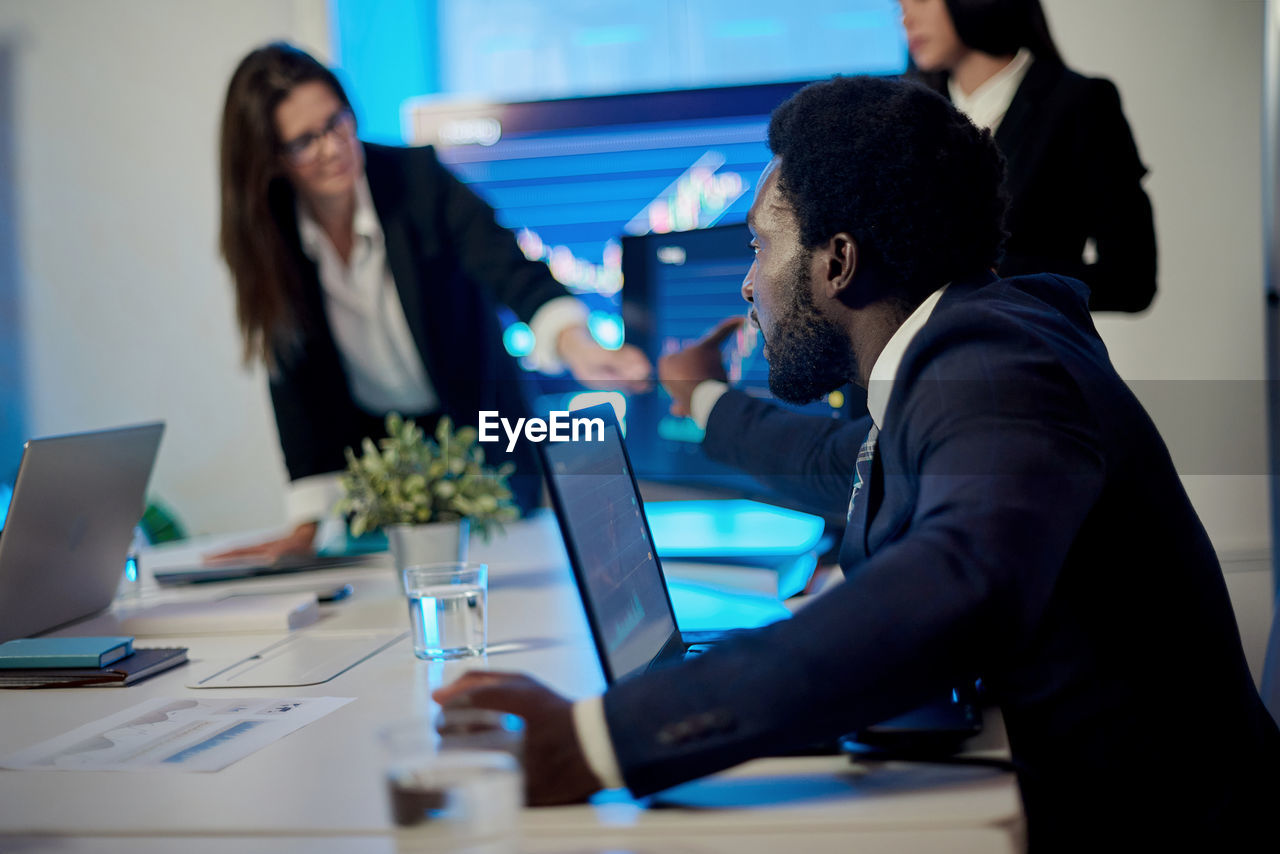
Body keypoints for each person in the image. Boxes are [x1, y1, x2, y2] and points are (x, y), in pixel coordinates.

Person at [434, 76, 1279, 850]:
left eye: (761, 248)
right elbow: (849, 463)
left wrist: (599, 742)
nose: (747, 285)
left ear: (837, 262)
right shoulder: (969, 344)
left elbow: (961, 581)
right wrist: (701, 402)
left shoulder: (990, 368)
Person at [215, 43, 650, 560]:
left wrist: (576, 344)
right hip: (379, 463)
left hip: (481, 435)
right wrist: (308, 524)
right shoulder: (269, 236)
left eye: (336, 122)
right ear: (271, 160)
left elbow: (507, 266)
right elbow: (292, 373)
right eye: (304, 141)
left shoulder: (415, 179)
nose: (333, 148)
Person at [902, 0, 1157, 312]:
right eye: (900, 5)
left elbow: (1132, 280)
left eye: (920, 0)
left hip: (1025, 349)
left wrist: (997, 277)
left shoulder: (1080, 103)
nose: (906, 19)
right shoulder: (910, 115)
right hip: (921, 354)